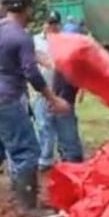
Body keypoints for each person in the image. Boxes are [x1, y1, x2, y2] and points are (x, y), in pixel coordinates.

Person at [0, 0, 70, 217]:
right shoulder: (21, 36)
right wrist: (53, 99)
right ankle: (28, 207)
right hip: (7, 99)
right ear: (27, 10)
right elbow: (32, 73)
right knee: (26, 152)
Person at [33, 11, 85, 171]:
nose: (52, 26)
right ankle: (45, 160)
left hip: (62, 91)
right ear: (44, 24)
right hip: (42, 90)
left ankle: (71, 159)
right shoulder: (34, 41)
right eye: (50, 23)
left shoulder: (65, 41)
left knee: (66, 125)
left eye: (55, 23)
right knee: (44, 126)